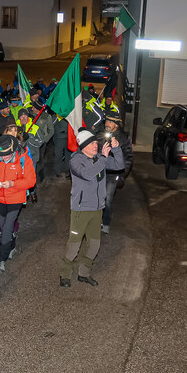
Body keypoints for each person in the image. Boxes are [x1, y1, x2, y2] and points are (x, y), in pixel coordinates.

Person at [59, 129, 123, 288]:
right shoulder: (76, 161)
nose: (96, 145)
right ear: (84, 146)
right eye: (92, 143)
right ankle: (65, 274)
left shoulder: (99, 158)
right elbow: (87, 174)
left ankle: (84, 274)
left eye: (96, 142)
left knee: (94, 245)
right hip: (81, 209)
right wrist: (103, 158)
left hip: (97, 208)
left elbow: (119, 165)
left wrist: (116, 149)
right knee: (74, 245)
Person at [0, 135, 36, 273]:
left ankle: (1, 258)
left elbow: (31, 181)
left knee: (7, 227)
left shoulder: (23, 159)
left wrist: (13, 184)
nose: (4, 157)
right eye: (1, 155)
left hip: (16, 198)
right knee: (3, 224)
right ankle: (12, 246)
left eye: (7, 155)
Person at [101, 113, 133, 234]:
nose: (107, 124)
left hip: (113, 174)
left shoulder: (124, 137)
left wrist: (122, 175)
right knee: (98, 197)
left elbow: (129, 158)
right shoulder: (100, 134)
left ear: (116, 125)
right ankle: (96, 220)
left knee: (107, 199)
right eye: (106, 121)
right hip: (100, 172)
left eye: (110, 122)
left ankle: (105, 223)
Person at [17, 108, 44, 202]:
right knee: (20, 176)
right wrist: (20, 139)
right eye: (21, 116)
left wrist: (29, 139)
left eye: (25, 116)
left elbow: (40, 142)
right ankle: (22, 193)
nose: (24, 118)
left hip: (32, 156)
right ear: (19, 118)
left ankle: (33, 192)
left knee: (31, 176)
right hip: (20, 157)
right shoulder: (16, 128)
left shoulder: (35, 127)